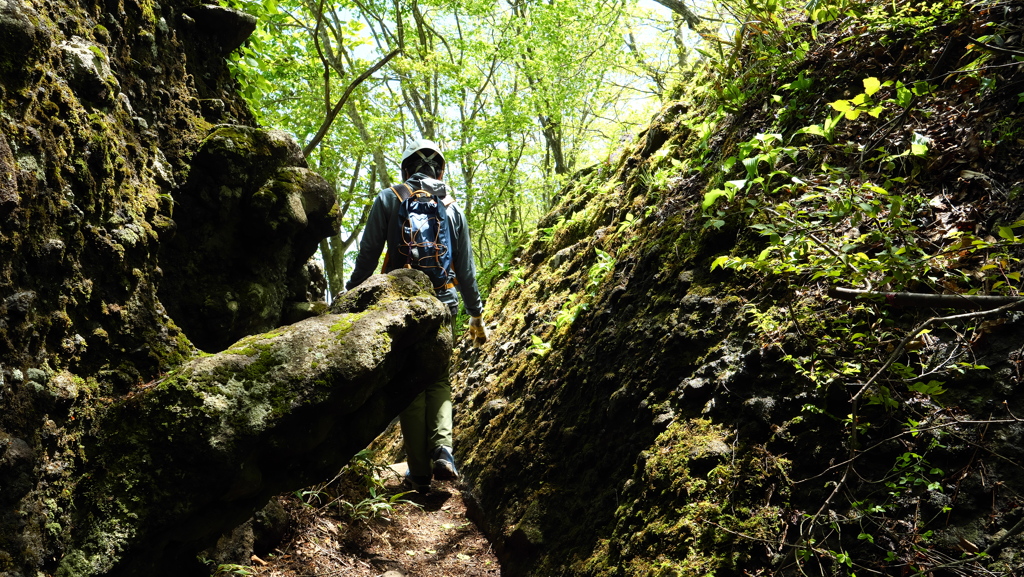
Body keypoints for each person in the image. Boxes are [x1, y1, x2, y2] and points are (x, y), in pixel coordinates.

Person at [345, 138, 488, 493]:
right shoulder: (452, 207)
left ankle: (420, 473)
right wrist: (476, 315)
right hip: (445, 302)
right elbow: (466, 271)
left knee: (410, 384)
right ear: (440, 170)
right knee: (438, 379)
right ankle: (444, 450)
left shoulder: (388, 198)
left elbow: (367, 257)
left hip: (403, 301)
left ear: (406, 168)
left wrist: (349, 300)